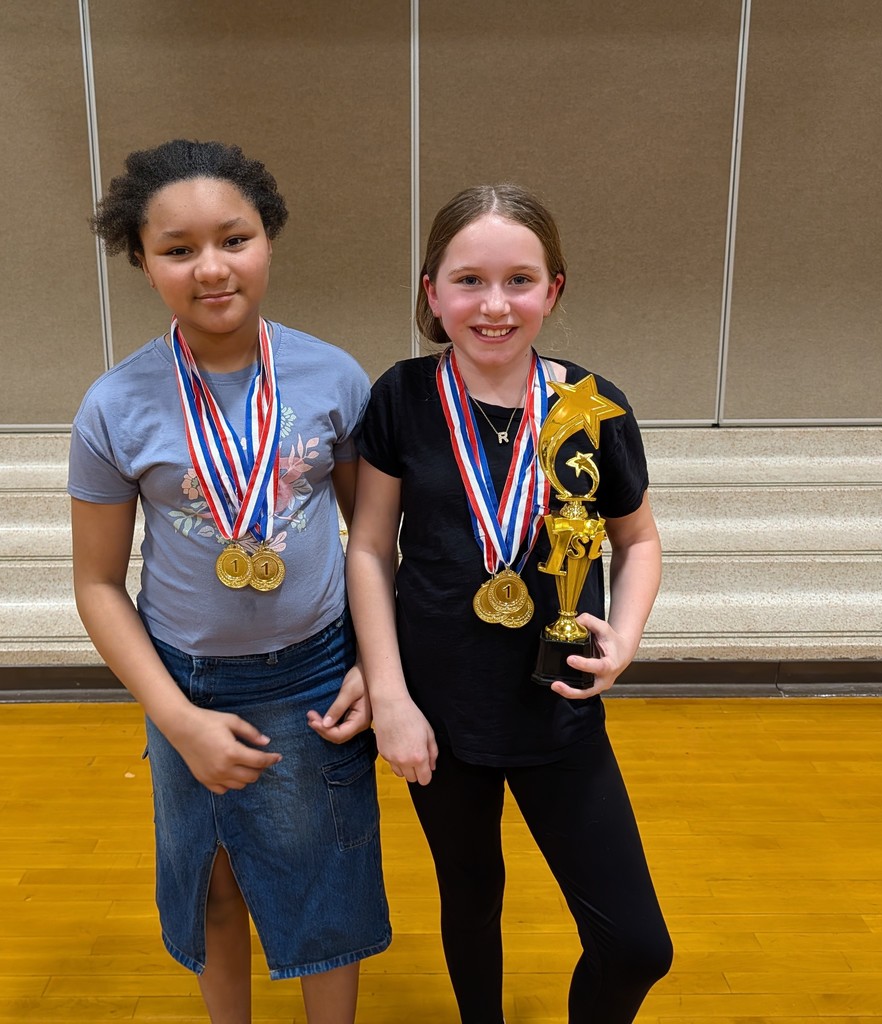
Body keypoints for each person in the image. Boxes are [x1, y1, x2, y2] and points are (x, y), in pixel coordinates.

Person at [68, 139, 390, 1024]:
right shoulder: (115, 405)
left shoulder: (332, 376)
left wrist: (376, 661)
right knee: (210, 887)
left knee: (332, 889)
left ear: (269, 241)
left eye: (234, 239)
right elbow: (97, 583)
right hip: (189, 682)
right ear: (141, 260)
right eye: (177, 249)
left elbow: (371, 537)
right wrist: (176, 718)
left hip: (321, 670)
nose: (211, 268)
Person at [346, 184, 672, 1023]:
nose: (494, 305)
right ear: (432, 291)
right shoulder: (402, 397)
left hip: (557, 705)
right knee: (471, 900)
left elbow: (637, 541)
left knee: (637, 945)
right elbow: (371, 548)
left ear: (553, 289)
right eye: (468, 281)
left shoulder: (592, 406)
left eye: (520, 280)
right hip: (439, 713)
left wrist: (626, 637)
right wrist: (391, 700)